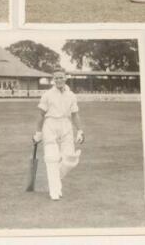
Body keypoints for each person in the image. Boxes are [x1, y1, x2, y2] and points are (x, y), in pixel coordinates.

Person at [32, 68, 84, 200]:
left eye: (61, 77)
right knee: (52, 158)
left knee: (70, 159)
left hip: (66, 125)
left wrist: (80, 130)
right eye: (56, 78)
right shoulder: (47, 95)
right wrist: (38, 133)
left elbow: (75, 114)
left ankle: (54, 181)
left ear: (66, 77)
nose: (59, 80)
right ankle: (54, 191)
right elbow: (41, 115)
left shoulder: (71, 95)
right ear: (53, 79)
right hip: (50, 125)